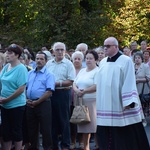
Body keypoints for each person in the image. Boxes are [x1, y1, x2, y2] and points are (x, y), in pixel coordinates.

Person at [96, 37, 150, 150]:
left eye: (108, 46)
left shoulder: (125, 60)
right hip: (105, 104)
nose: (105, 48)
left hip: (119, 103)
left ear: (116, 47)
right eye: (104, 46)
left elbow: (129, 80)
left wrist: (128, 101)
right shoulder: (102, 62)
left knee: (123, 131)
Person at [46, 42, 75, 150]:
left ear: (65, 51)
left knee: (64, 120)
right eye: (57, 49)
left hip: (63, 93)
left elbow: (71, 80)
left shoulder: (68, 64)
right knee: (52, 120)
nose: (59, 52)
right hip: (51, 94)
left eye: (62, 49)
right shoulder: (49, 63)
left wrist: (58, 83)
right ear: (53, 51)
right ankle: (54, 145)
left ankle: (65, 145)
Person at [0, 44, 28, 150]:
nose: (7, 55)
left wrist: (7, 99)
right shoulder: (6, 66)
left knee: (16, 131)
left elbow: (21, 89)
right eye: (7, 52)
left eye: (10, 53)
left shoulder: (21, 69)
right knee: (5, 132)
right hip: (4, 105)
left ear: (17, 55)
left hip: (16, 105)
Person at [26, 51, 55, 150]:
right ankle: (33, 148)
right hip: (30, 104)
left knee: (45, 129)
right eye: (37, 59)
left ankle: (47, 148)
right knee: (31, 129)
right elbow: (25, 88)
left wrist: (37, 102)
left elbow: (49, 91)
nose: (39, 61)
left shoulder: (49, 74)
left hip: (43, 104)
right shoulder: (30, 73)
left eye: (41, 59)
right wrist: (27, 100)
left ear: (46, 61)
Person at [73, 50, 99, 150]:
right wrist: (77, 90)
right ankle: (85, 147)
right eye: (87, 58)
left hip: (92, 101)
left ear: (95, 60)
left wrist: (84, 91)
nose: (88, 60)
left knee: (93, 126)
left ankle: (97, 145)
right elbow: (74, 83)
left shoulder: (98, 71)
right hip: (80, 101)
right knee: (84, 126)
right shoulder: (82, 70)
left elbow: (96, 86)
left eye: (90, 58)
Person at [70, 51, 84, 150]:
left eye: (79, 59)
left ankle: (82, 142)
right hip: (69, 99)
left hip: (81, 99)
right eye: (75, 58)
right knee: (72, 122)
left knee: (81, 120)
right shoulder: (70, 69)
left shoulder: (84, 70)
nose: (77, 60)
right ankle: (73, 141)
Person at [134, 52, 150, 117]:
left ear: (141, 59)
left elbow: (148, 78)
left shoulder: (145, 66)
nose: (137, 59)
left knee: (143, 105)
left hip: (143, 89)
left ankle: (143, 119)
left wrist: (138, 80)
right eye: (136, 58)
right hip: (134, 89)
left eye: (139, 58)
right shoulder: (131, 66)